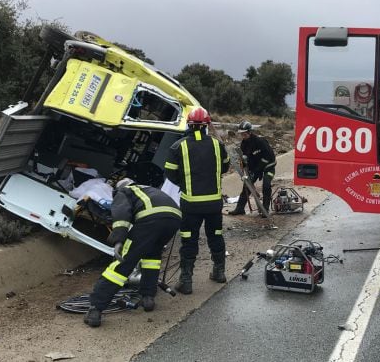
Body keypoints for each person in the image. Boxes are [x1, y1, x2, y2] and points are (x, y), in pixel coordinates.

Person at [84, 178, 181, 328]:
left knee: (123, 263)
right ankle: (148, 298)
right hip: (173, 219)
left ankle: (95, 309)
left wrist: (119, 239)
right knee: (152, 258)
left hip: (151, 219)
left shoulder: (124, 191)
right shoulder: (148, 188)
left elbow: (121, 214)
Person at [163, 107, 230, 294]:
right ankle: (219, 272)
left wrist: (184, 183)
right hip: (214, 204)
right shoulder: (218, 145)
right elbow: (225, 168)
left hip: (190, 204)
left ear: (189, 125)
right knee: (215, 235)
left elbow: (169, 172)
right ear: (207, 125)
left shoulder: (178, 146)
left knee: (189, 240)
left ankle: (186, 280)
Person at [228, 120, 276, 217]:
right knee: (247, 185)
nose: (243, 136)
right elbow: (245, 158)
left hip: (268, 166)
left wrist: (256, 170)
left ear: (250, 132)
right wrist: (246, 168)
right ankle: (240, 209)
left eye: (244, 133)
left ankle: (265, 210)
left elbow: (267, 158)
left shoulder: (260, 142)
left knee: (266, 185)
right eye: (241, 134)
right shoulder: (244, 144)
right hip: (255, 168)